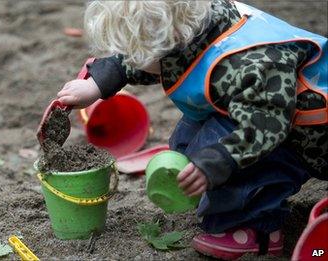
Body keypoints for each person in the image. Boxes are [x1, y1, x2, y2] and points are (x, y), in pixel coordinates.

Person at [57, 0, 327, 259]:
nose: (130, 59)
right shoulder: (192, 24)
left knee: (217, 157)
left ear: (171, 40)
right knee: (187, 147)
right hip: (247, 108)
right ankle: (219, 191)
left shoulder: (250, 65)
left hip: (302, 137)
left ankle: (259, 232)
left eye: (135, 53)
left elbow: (264, 129)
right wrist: (97, 84)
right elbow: (146, 59)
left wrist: (216, 162)